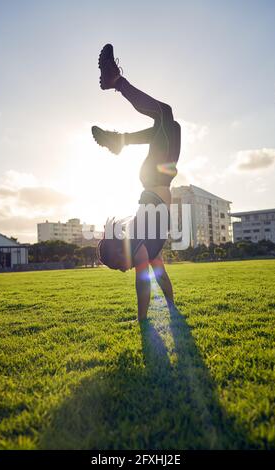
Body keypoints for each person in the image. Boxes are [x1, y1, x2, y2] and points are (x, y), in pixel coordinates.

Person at [92, 44, 181, 321]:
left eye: (118, 265)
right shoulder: (149, 252)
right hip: (160, 176)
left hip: (154, 178)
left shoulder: (139, 247)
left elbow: (143, 288)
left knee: (165, 114)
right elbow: (161, 278)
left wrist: (142, 320)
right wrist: (172, 307)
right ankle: (120, 140)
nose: (122, 270)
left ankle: (116, 82)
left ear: (122, 253)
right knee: (169, 126)